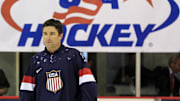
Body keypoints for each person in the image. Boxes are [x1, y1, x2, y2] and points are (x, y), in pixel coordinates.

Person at [20, 19, 97, 101]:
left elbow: (88, 86)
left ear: (60, 35)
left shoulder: (74, 56)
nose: (48, 38)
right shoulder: (36, 60)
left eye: (52, 34)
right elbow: (26, 91)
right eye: (45, 34)